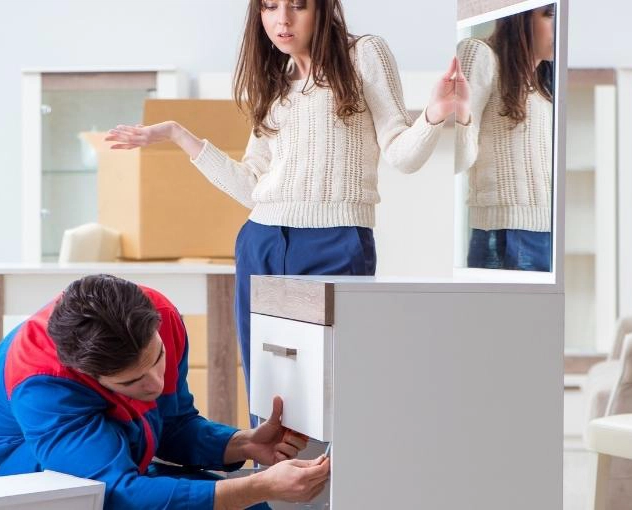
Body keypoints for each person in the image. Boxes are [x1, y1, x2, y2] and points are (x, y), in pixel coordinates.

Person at [105, 0, 469, 410]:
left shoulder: (364, 53)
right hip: (261, 242)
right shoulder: (274, 82)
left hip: (335, 243)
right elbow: (251, 186)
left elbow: (402, 155)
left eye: (298, 5)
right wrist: (177, 134)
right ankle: (265, 455)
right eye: (270, 6)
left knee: (330, 396)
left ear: (322, 8)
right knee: (267, 389)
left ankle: (327, 458)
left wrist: (435, 113)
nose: (282, 19)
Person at [0, 274, 329, 509]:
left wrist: (243, 444)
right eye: (131, 383)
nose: (156, 384)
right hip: (5, 484)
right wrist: (256, 485)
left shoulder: (160, 317)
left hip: (111, 464)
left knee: (249, 507)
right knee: (238, 497)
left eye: (157, 359)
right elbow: (114, 493)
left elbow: (173, 425)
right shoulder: (44, 383)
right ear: (86, 374)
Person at [455, 4, 556, 272]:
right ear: (520, 17)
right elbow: (457, 158)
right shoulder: (480, 54)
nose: (559, 27)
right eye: (550, 15)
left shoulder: (543, 82)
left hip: (547, 232)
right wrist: (459, 116)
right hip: (505, 233)